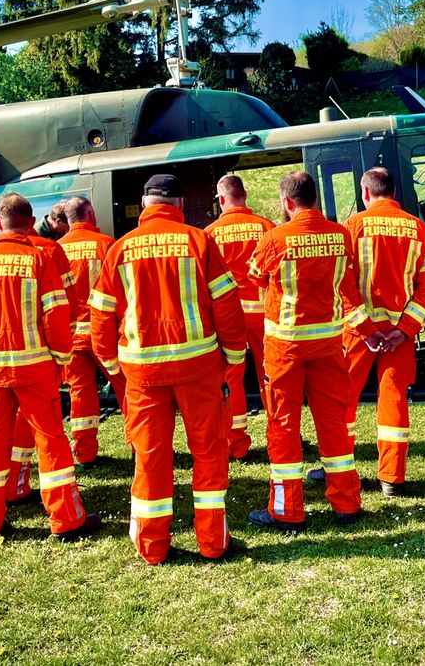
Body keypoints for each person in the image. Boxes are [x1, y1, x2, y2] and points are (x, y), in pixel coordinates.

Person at [90, 174, 246, 564]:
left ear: (144, 205)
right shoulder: (199, 241)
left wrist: (112, 367)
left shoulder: (120, 248)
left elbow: (101, 317)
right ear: (180, 205)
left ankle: (152, 545)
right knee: (208, 452)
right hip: (198, 367)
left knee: (150, 456)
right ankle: (213, 541)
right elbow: (226, 306)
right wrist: (232, 357)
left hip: (143, 374)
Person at [0, 193, 98, 540]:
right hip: (35, 367)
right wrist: (61, 357)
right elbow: (56, 313)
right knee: (50, 442)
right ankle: (65, 520)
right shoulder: (38, 258)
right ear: (31, 223)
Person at [246, 171, 378, 530]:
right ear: (315, 197)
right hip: (328, 344)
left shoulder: (275, 238)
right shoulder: (340, 235)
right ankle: (347, 502)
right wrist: (367, 330)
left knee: (283, 424)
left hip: (285, 347)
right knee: (333, 422)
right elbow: (347, 288)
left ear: (287, 202)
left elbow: (255, 275)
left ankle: (287, 509)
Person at [334, 167, 425, 497]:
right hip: (399, 333)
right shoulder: (417, 227)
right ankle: (392, 478)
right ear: (393, 192)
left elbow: (342, 283)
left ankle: (338, 468)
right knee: (394, 399)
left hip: (358, 332)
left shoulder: (352, 226)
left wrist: (366, 329)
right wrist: (406, 327)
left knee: (343, 399)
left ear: (365, 194)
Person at [1, 218, 78, 504]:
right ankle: (60, 507)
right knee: (48, 433)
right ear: (32, 221)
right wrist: (62, 355)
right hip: (39, 359)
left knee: (4, 430)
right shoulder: (48, 251)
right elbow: (66, 306)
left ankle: (12, 486)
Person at [204, 174, 275, 459]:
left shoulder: (210, 234)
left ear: (221, 199)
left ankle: (236, 444)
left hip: (229, 317)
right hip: (264, 313)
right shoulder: (267, 227)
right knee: (270, 375)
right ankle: (279, 436)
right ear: (244, 195)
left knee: (232, 378)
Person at [59, 195, 125, 465]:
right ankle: (139, 446)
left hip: (71, 337)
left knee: (80, 393)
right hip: (103, 332)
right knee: (126, 388)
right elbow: (121, 290)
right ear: (91, 214)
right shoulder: (107, 245)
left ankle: (85, 453)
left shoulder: (56, 250)